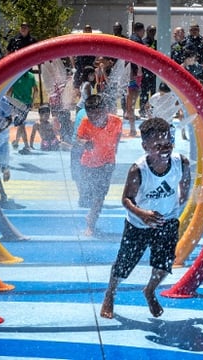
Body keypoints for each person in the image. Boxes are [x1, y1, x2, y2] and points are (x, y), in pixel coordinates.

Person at [100, 117, 191, 319]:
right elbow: (126, 199)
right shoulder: (138, 170)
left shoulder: (181, 163)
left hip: (167, 221)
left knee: (164, 264)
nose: (165, 149)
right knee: (124, 264)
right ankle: (110, 294)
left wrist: (178, 202)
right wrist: (143, 214)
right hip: (138, 224)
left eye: (168, 143)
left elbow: (185, 186)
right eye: (158, 146)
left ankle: (150, 290)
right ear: (145, 146)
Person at [76, 94, 122, 236]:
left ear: (105, 110)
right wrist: (85, 143)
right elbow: (78, 139)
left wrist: (114, 152)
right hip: (88, 164)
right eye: (91, 116)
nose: (94, 119)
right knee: (93, 195)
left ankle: (91, 220)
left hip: (107, 163)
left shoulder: (116, 121)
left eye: (97, 115)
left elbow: (117, 137)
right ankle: (91, 220)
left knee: (100, 195)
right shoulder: (85, 121)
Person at [10, 70, 38, 154]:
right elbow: (36, 90)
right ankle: (16, 142)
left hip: (16, 103)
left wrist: (8, 101)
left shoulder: (15, 75)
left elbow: (10, 91)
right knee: (20, 123)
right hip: (27, 104)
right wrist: (32, 102)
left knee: (21, 124)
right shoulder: (31, 76)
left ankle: (26, 146)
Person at [126, 22, 145, 136]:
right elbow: (138, 56)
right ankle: (132, 129)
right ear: (141, 30)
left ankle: (132, 128)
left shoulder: (131, 39)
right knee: (131, 104)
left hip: (133, 74)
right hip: (135, 75)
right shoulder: (137, 40)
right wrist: (139, 69)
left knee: (131, 104)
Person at [140, 25, 157, 117]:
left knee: (154, 92)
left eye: (154, 31)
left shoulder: (157, 43)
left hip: (154, 72)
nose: (152, 32)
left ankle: (153, 111)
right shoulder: (143, 42)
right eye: (151, 31)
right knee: (144, 92)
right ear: (147, 31)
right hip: (145, 71)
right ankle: (143, 110)